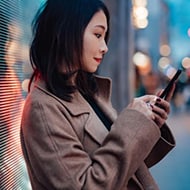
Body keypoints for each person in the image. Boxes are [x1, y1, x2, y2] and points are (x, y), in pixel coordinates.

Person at [20, 0, 176, 189]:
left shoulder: (85, 91)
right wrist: (133, 122)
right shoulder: (43, 108)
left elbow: (122, 169)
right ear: (67, 31)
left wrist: (146, 123)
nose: (105, 47)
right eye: (97, 34)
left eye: (104, 36)